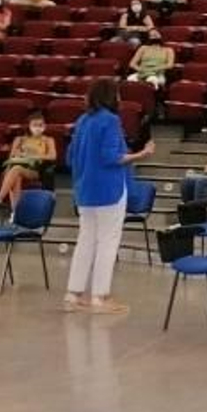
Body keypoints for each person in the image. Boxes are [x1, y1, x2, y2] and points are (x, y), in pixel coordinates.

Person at [64, 78, 153, 315]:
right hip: (108, 190)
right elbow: (111, 157)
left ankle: (73, 293)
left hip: (84, 190)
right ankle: (100, 296)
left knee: (86, 240)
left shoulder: (83, 120)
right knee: (107, 242)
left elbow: (70, 156)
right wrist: (142, 154)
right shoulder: (111, 120)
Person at [0, 112, 56, 208]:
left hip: (35, 169)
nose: (38, 128)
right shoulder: (19, 139)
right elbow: (12, 156)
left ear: (44, 126)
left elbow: (52, 156)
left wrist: (34, 156)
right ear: (29, 126)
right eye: (35, 125)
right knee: (16, 175)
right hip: (18, 166)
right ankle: (16, 212)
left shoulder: (48, 140)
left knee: (16, 170)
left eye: (40, 125)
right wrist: (20, 154)